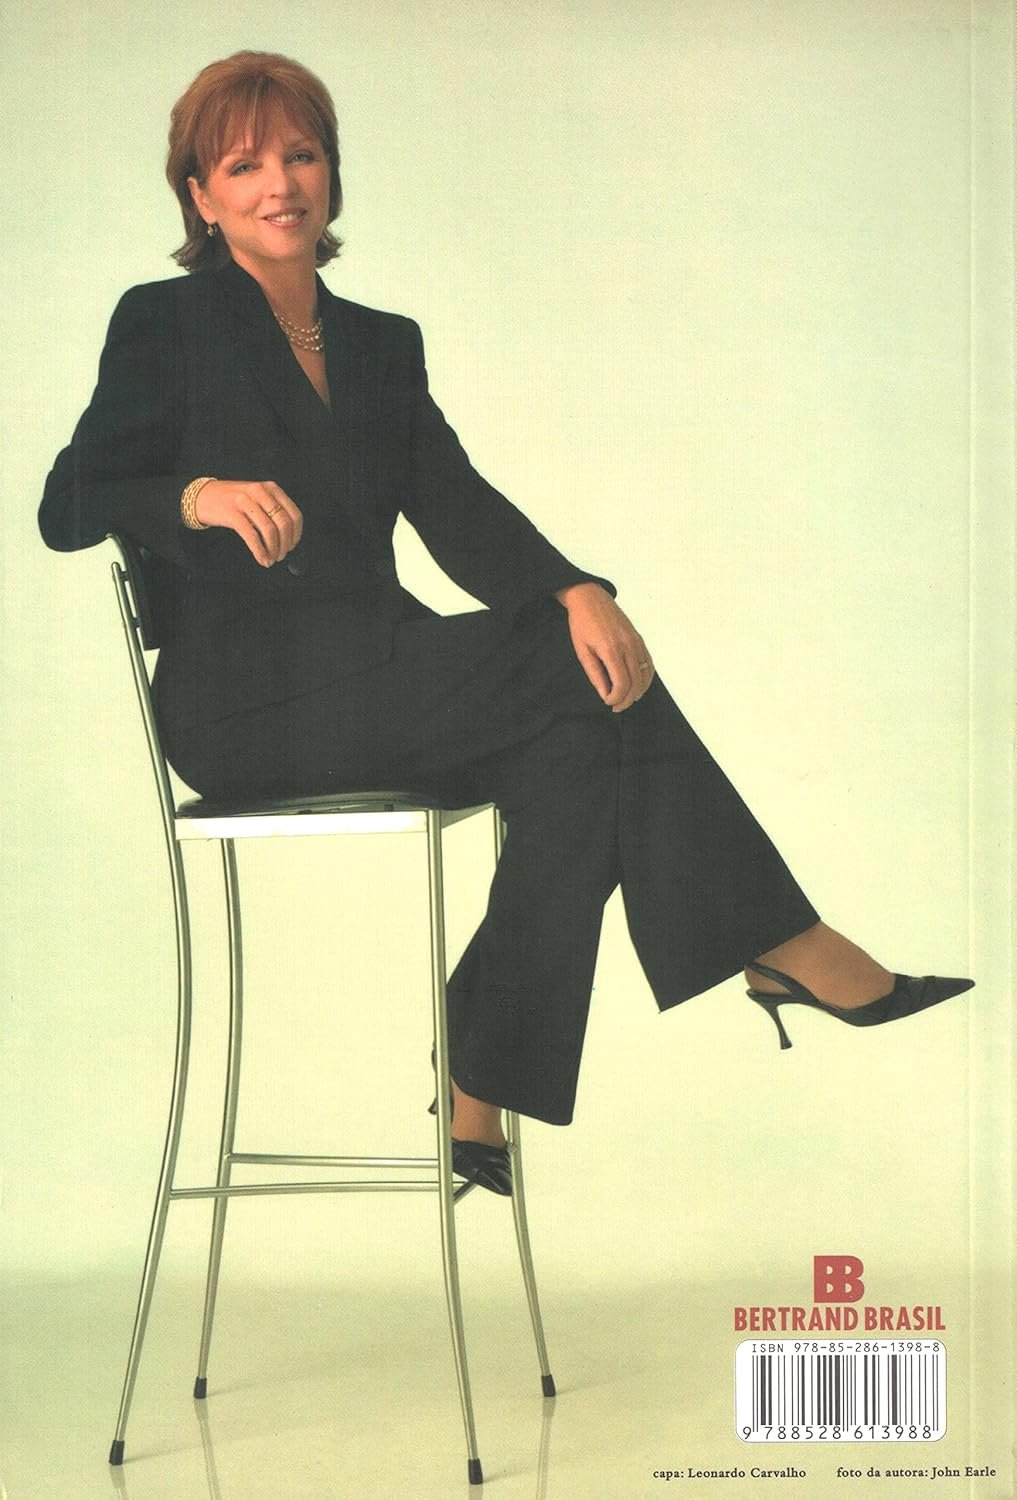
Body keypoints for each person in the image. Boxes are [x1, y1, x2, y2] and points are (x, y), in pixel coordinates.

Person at [40, 51, 972, 1195]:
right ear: (200, 195)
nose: (280, 183)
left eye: (301, 155)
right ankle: (781, 944)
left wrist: (579, 588)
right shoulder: (165, 322)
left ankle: (483, 1072)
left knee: (583, 734)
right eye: (244, 166)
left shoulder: (379, 342)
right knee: (576, 683)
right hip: (244, 703)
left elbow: (456, 508)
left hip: (378, 672)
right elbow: (66, 502)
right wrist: (195, 496)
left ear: (332, 172)